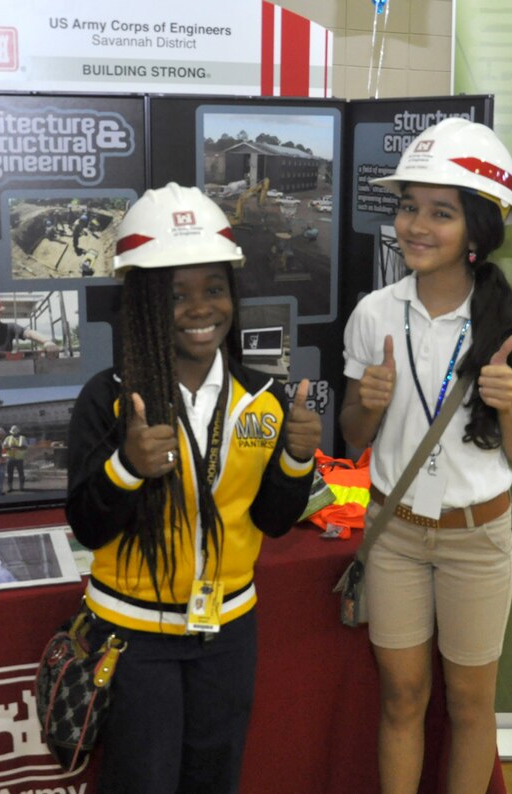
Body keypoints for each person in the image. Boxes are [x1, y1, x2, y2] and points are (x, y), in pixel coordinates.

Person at [65, 183, 321, 794]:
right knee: (141, 782)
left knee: (215, 777)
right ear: (147, 303)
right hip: (133, 635)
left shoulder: (263, 396)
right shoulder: (111, 397)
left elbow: (273, 519)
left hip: (228, 630)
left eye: (213, 289)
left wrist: (294, 458)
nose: (200, 308)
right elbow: (87, 525)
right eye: (176, 295)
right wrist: (126, 467)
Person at [341, 118, 512, 792]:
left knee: (469, 706)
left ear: (478, 231)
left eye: (441, 212)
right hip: (396, 535)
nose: (415, 226)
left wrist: (508, 405)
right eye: (408, 207)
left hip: (477, 539)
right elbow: (353, 437)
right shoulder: (375, 313)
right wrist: (368, 403)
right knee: (401, 699)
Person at [4, 425, 27, 492]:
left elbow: (25, 447)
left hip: (19, 459)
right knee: (10, 473)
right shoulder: (8, 438)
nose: (14, 434)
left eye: (14, 432)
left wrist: (16, 447)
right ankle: (10, 487)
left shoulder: (22, 438)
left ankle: (21, 487)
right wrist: (9, 448)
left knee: (21, 473)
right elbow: (4, 447)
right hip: (10, 458)